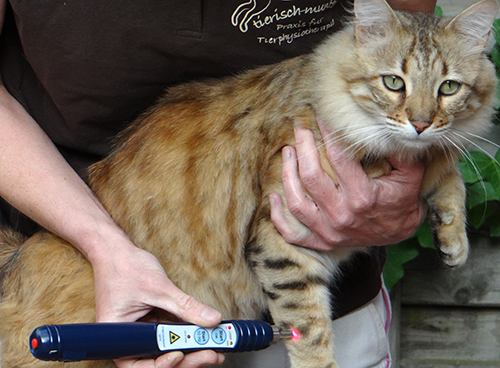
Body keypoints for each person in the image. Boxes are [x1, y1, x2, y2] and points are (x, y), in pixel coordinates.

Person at [0, 0, 435, 367]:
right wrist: (103, 245)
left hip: (323, 309)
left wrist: (402, 193)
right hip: (71, 276)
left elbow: (421, 50)